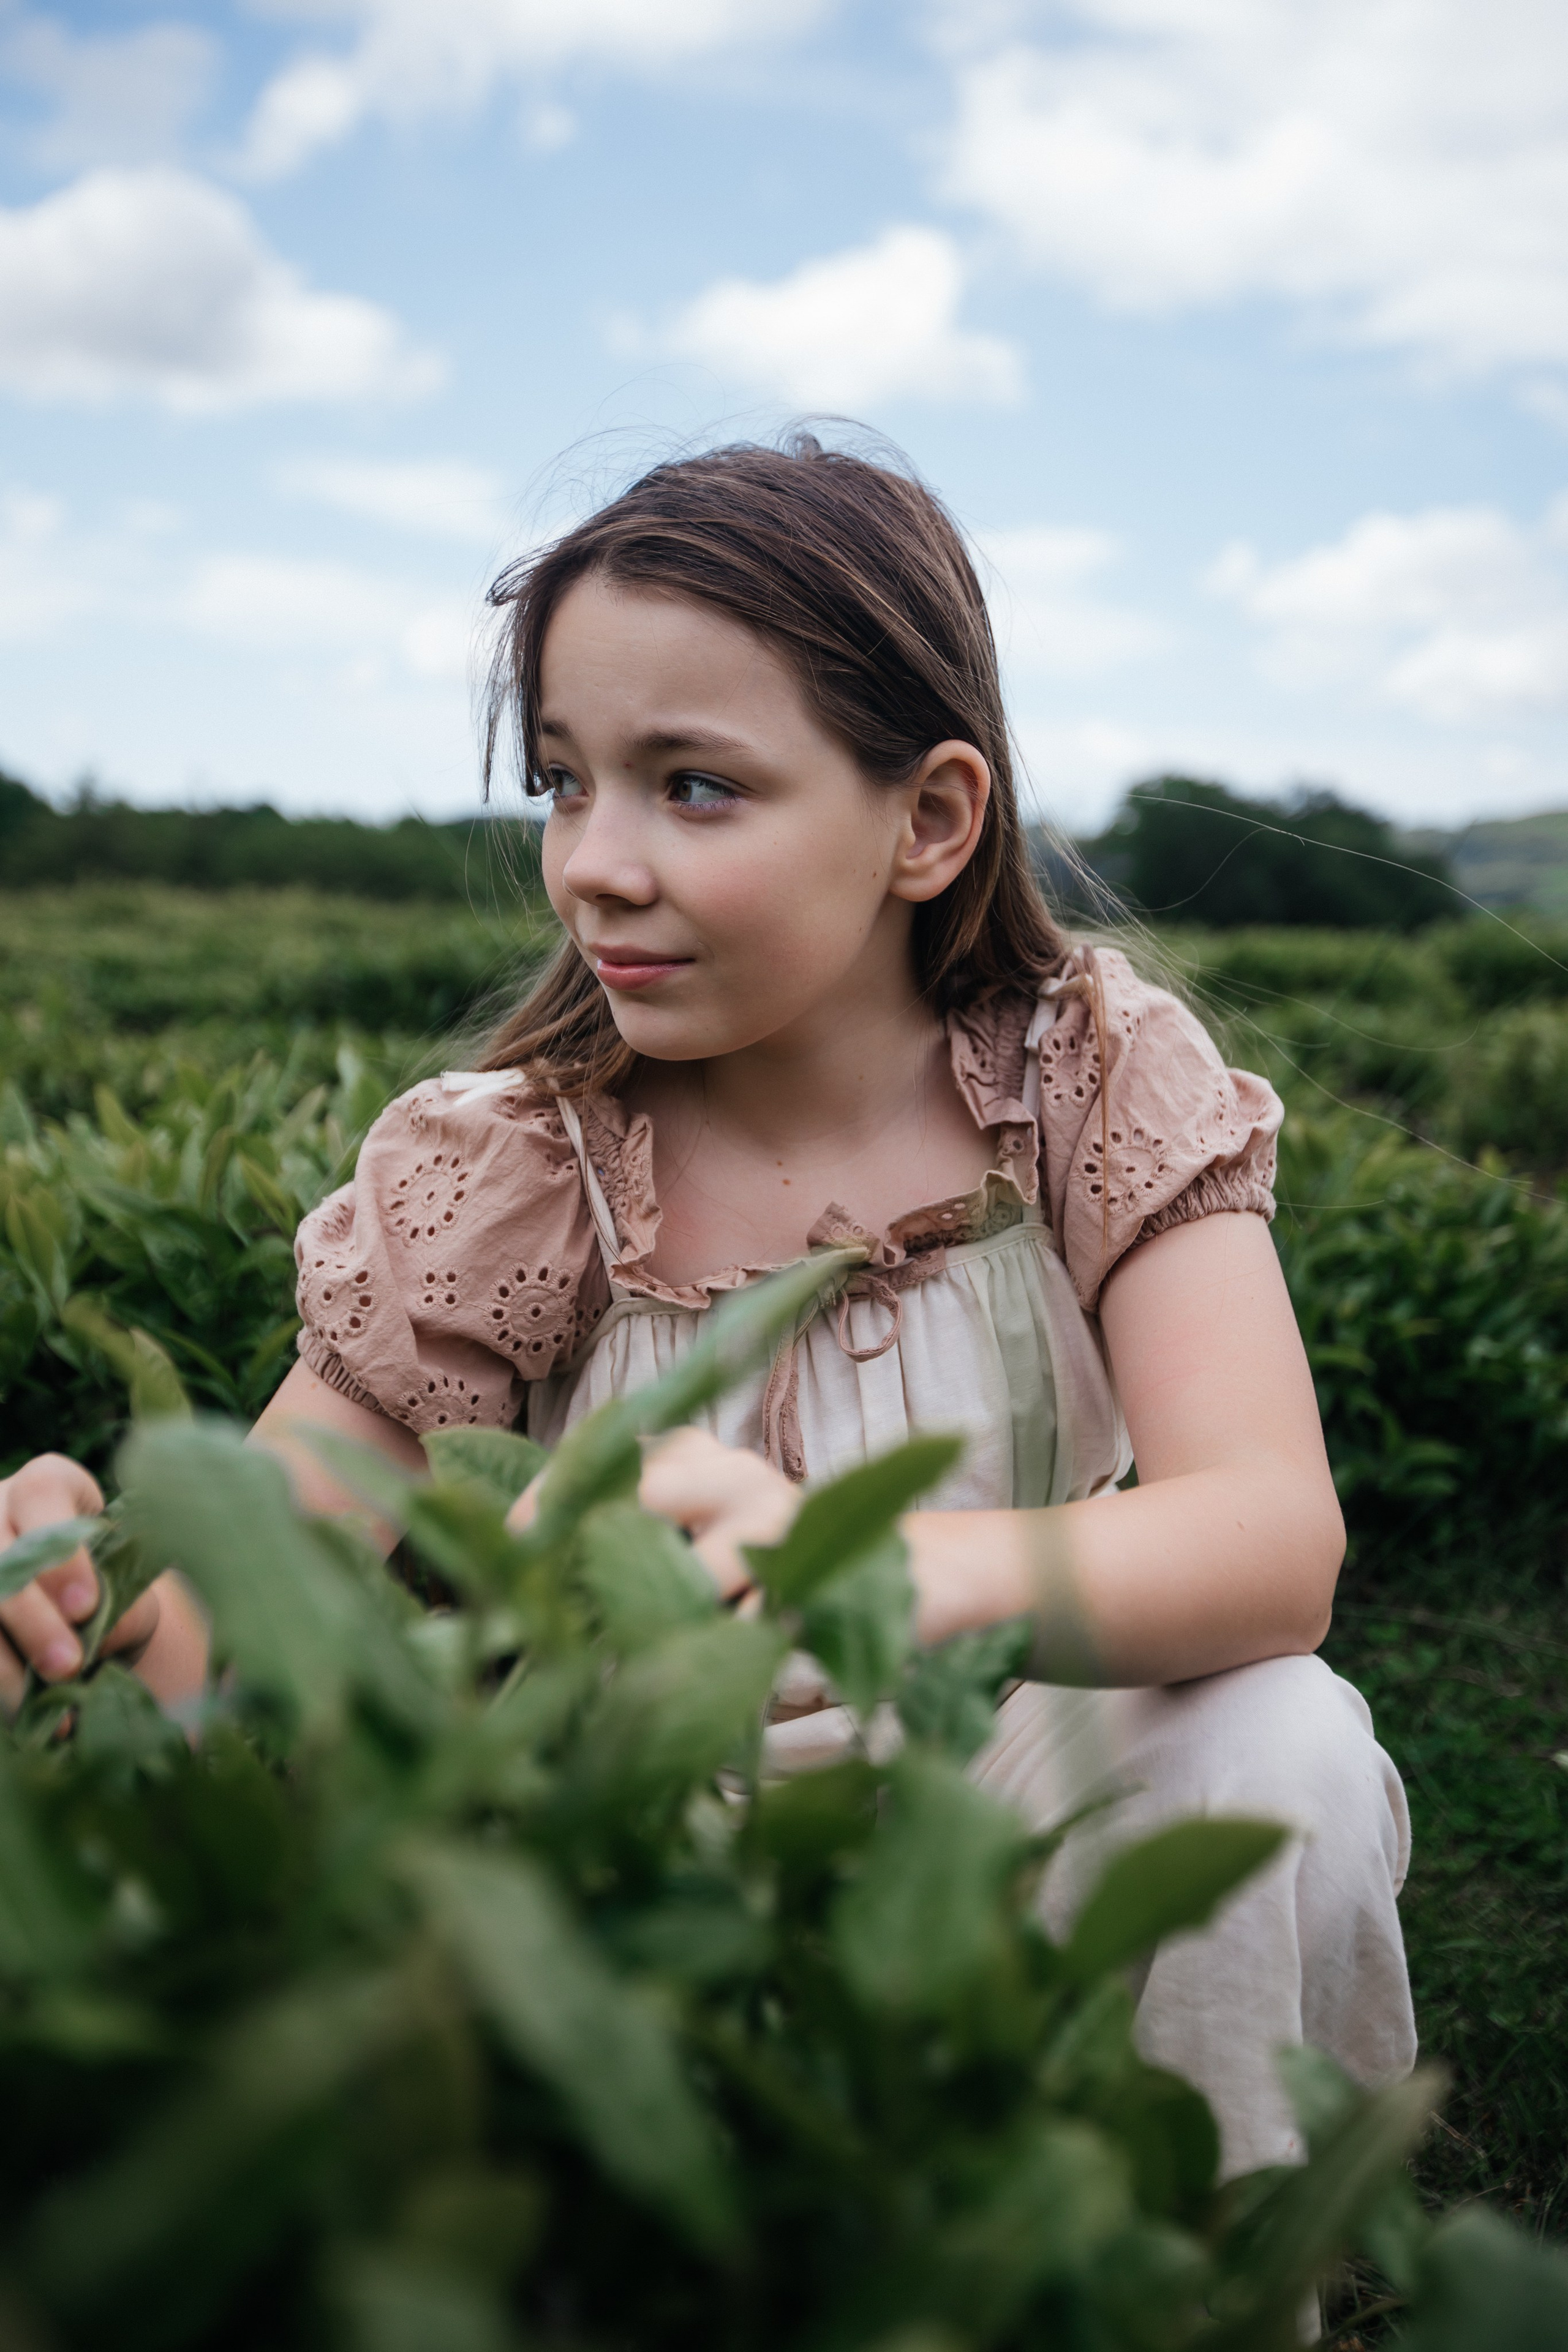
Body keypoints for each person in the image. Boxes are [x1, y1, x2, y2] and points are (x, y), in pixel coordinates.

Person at [0, 434, 1414, 2177]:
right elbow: (253, 1600)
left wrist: (859, 1567)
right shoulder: (513, 1169)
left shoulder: (1086, 1082)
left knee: (1285, 1745)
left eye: (694, 787)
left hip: (1004, 1800)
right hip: (617, 1851)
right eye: (564, 783)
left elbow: (1277, 1542)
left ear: (931, 818)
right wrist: (86, 1599)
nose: (595, 860)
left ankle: (1191, 2266)